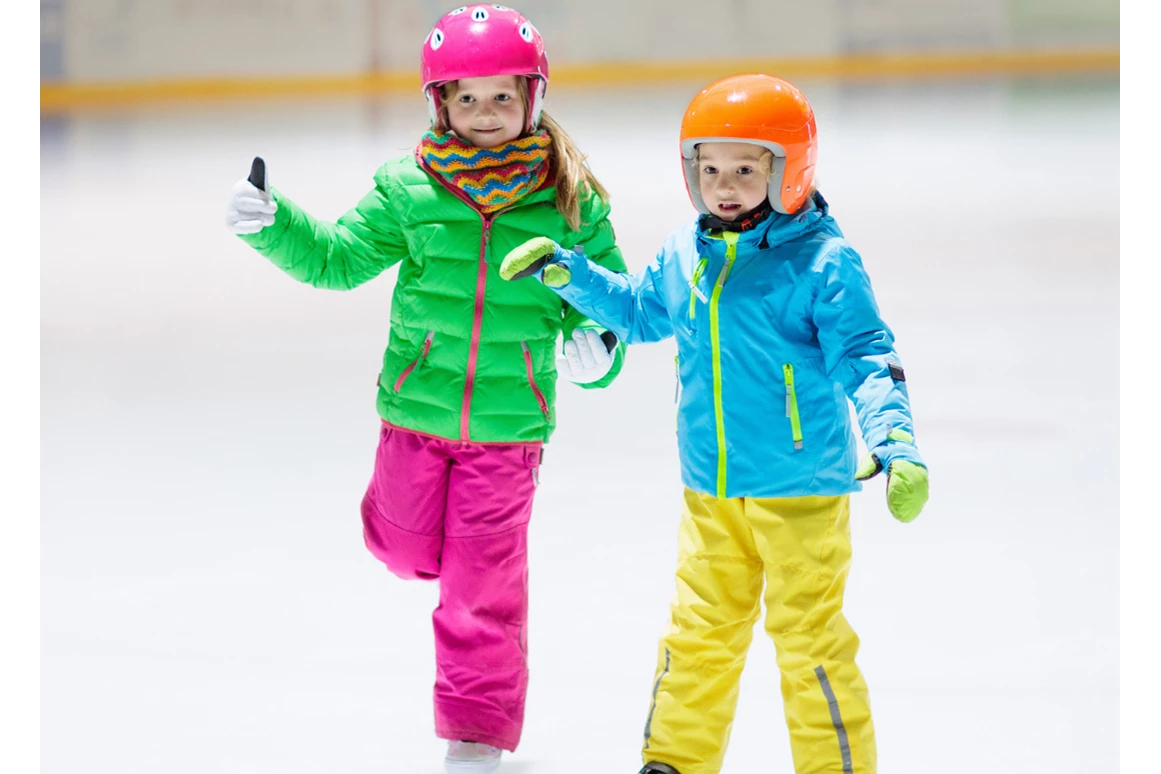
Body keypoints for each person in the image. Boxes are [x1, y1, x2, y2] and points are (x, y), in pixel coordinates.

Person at [224, 5, 628, 771]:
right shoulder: (408, 189)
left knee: (482, 591)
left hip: (509, 431)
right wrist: (271, 223)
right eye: (466, 98)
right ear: (439, 103)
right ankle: (424, 551)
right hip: (414, 414)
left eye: (502, 96)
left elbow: (611, 303)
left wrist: (599, 350)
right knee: (402, 549)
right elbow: (338, 259)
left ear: (533, 97)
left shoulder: (569, 198)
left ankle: (474, 734)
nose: (485, 113)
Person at [499, 73, 930, 774]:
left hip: (801, 493)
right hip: (711, 493)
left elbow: (867, 358)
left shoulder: (823, 262)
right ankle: (673, 761)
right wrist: (568, 274)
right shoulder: (686, 252)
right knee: (699, 633)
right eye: (709, 169)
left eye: (745, 170)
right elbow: (639, 312)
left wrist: (896, 443)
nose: (724, 187)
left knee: (809, 641)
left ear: (789, 171)